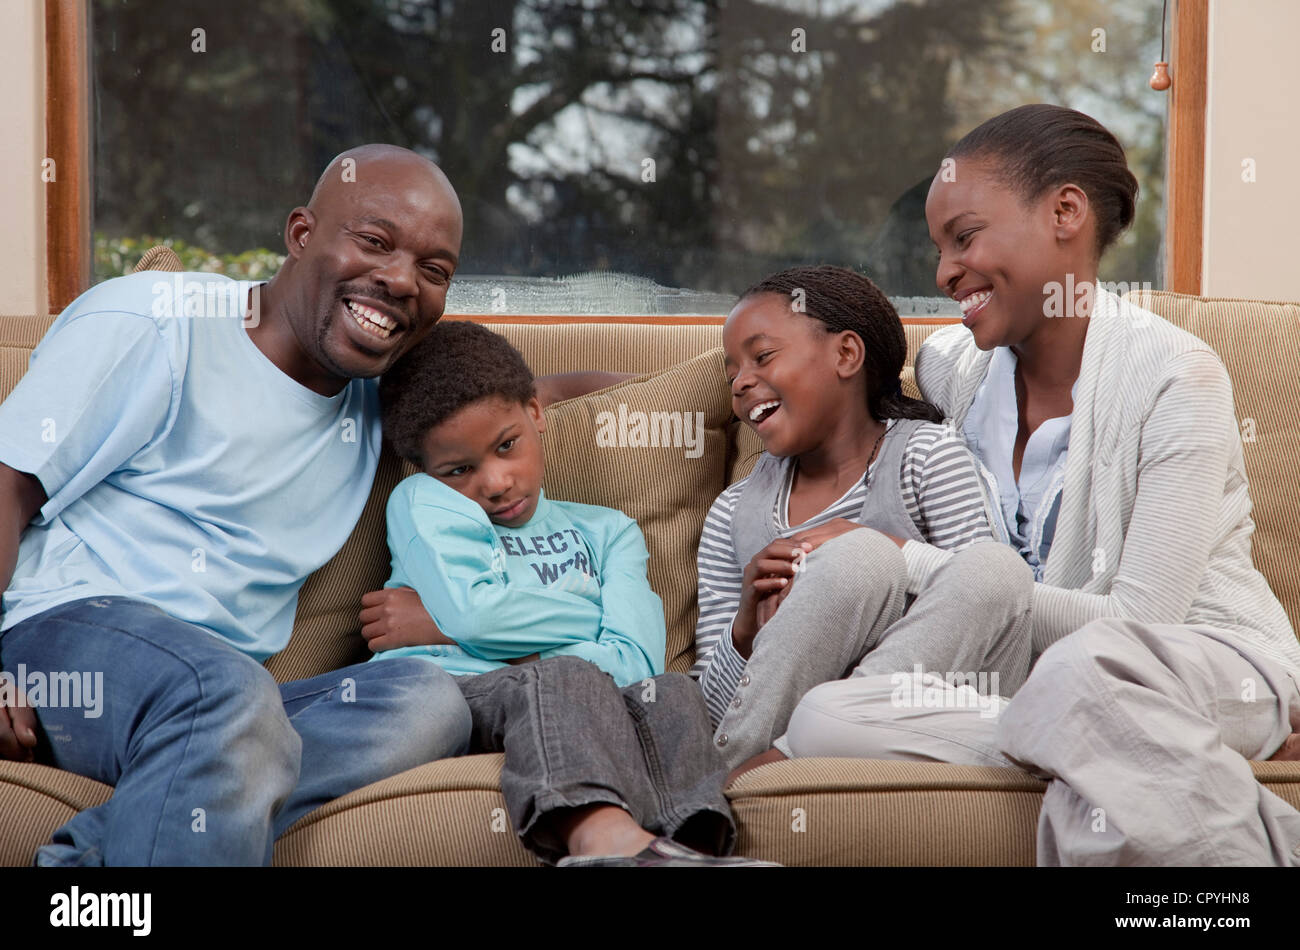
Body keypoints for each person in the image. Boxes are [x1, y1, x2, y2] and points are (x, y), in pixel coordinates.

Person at [0, 144, 606, 866]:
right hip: (67, 640)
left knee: (430, 700)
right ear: (300, 234)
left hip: (228, 703)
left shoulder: (379, 401)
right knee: (225, 693)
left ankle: (94, 866)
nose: (399, 280)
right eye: (375, 242)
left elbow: (522, 394)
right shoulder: (155, 321)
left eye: (433, 270)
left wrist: (725, 389)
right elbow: (8, 484)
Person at [782, 104, 1300, 866]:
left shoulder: (1176, 376)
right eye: (938, 249)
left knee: (1086, 674)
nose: (944, 271)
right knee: (828, 717)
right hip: (1028, 688)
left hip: (1193, 662)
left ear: (1065, 212)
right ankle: (1119, 751)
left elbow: (1132, 621)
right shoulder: (949, 369)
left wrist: (904, 557)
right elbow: (829, 385)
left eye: (965, 237)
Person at [361, 320, 767, 866]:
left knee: (670, 692)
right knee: (565, 677)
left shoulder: (608, 530)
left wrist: (441, 623)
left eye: (507, 446)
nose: (496, 481)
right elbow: (479, 618)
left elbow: (635, 662)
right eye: (459, 469)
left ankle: (688, 849)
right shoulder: (422, 502)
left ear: (535, 413)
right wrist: (589, 618)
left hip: (573, 692)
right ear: (427, 473)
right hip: (459, 691)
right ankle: (601, 847)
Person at [691, 264, 1035, 776]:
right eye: (732, 372)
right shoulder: (734, 514)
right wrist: (744, 632)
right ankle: (762, 759)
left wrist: (887, 548)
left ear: (846, 354)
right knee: (858, 560)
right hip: (753, 738)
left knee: (995, 569)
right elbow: (708, 707)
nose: (741, 382)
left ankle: (803, 745)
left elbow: (990, 608)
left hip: (927, 722)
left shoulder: (926, 456)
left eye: (762, 356)